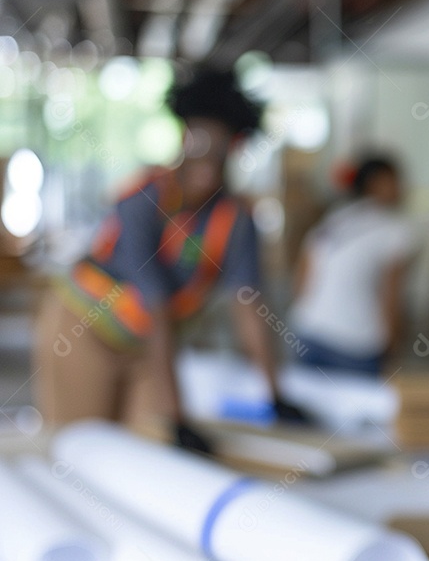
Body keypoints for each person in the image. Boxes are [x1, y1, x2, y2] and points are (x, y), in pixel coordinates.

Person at [34, 67, 307, 453]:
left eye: (220, 149)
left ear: (235, 148)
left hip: (148, 347)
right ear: (182, 137)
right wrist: (178, 417)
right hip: (85, 331)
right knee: (81, 449)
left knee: (148, 453)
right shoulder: (143, 200)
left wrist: (275, 396)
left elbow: (249, 305)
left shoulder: (236, 220)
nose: (206, 161)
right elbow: (157, 306)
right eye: (199, 143)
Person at [289, 156, 416, 375]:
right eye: (395, 181)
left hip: (307, 332)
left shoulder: (335, 219)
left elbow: (301, 280)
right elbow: (392, 297)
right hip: (357, 345)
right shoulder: (396, 230)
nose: (402, 188)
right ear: (376, 182)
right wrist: (393, 348)